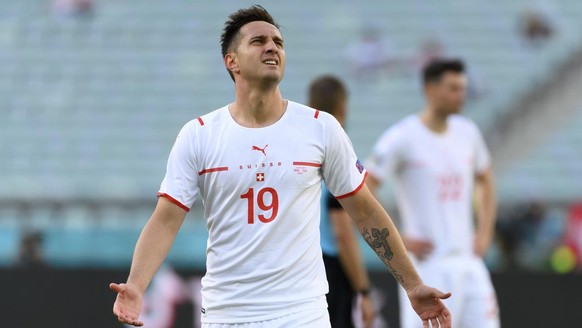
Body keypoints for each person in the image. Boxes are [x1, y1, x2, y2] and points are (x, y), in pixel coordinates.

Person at [110, 5, 452, 328]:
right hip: (228, 312)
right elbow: (166, 220)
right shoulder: (198, 135)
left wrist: (413, 285)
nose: (272, 47)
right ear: (232, 61)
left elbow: (364, 212)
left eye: (278, 42)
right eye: (258, 41)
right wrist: (137, 285)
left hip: (302, 312)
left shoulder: (320, 127)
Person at [366, 58, 499, 328]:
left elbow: (486, 179)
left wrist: (484, 232)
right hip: (428, 266)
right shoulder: (402, 137)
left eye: (463, 88)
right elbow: (366, 186)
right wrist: (399, 239)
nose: (461, 95)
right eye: (453, 88)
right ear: (430, 89)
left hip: (470, 261)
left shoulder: (468, 132)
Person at [309, 76, 376, 328]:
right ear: (343, 109)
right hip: (331, 269)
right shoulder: (337, 158)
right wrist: (364, 290)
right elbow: (342, 232)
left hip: (300, 263)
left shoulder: (300, 151)